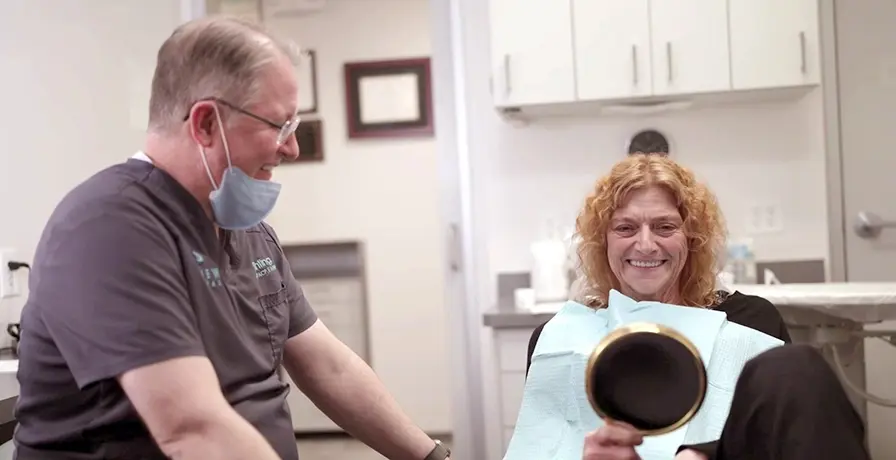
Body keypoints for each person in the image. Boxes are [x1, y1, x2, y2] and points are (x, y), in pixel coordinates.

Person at [12, 17, 450, 460]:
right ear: (205, 124)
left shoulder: (247, 232)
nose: (292, 147)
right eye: (280, 126)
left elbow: (330, 368)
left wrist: (432, 458)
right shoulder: (109, 228)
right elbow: (192, 430)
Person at [526, 154, 869, 460]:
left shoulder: (750, 321)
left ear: (691, 239)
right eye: (625, 228)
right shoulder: (561, 340)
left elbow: (778, 437)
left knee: (798, 366)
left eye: (665, 227)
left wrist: (700, 454)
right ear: (603, 242)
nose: (645, 244)